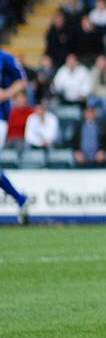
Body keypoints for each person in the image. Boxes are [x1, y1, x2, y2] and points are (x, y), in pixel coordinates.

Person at [0, 49, 29, 224]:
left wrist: (7, 93)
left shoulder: (5, 58)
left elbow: (22, 81)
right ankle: (20, 199)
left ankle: (20, 199)